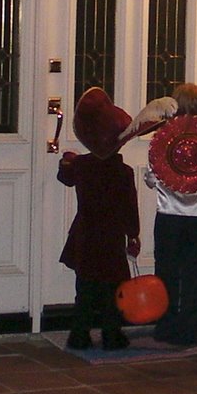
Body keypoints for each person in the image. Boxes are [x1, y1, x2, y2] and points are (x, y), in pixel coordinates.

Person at [144, 83, 197, 346]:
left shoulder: (166, 138)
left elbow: (151, 178)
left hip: (168, 216)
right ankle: (191, 329)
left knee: (166, 272)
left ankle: (166, 326)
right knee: (196, 275)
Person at [58, 88, 141, 350]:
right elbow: (129, 207)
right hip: (112, 237)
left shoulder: (81, 166)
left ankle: (79, 334)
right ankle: (111, 335)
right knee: (112, 289)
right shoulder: (123, 172)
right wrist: (133, 234)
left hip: (85, 234)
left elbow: (65, 178)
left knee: (84, 288)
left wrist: (66, 162)